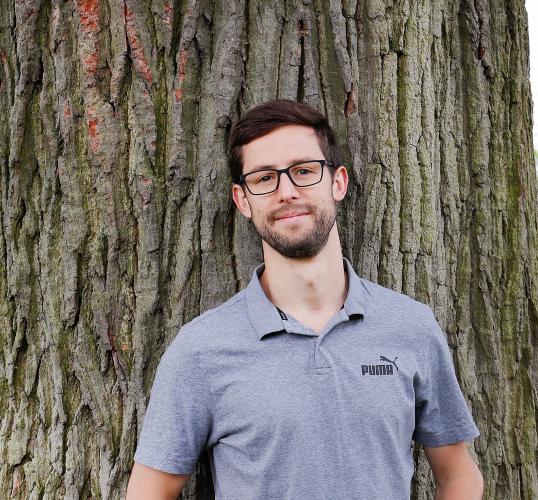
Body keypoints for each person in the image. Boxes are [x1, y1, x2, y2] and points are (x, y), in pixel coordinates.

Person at [127, 100, 484, 499]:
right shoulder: (201, 350)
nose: (287, 191)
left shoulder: (410, 327)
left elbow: (458, 475)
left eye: (304, 171)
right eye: (264, 178)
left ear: (338, 182)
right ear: (243, 200)